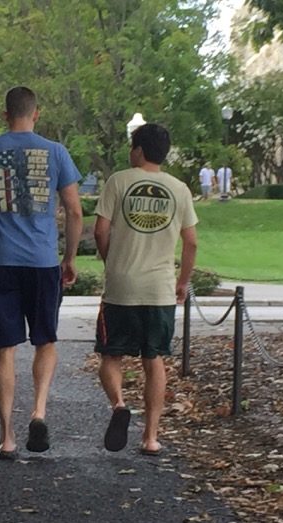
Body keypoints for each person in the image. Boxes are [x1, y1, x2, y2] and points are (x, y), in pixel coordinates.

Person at [0, 86, 83, 460]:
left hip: (0, 262)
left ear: (5, 114)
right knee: (46, 341)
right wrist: (69, 258)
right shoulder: (56, 153)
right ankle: (38, 411)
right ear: (36, 114)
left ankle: (7, 436)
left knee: (4, 349)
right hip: (42, 263)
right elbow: (74, 211)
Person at [93, 123, 197, 456]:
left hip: (122, 286)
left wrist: (113, 261)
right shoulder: (179, 189)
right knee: (154, 360)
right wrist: (183, 282)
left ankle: (120, 404)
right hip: (159, 289)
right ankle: (151, 437)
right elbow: (191, 242)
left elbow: (100, 232)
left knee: (111, 355)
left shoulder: (118, 181)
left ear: (137, 151)